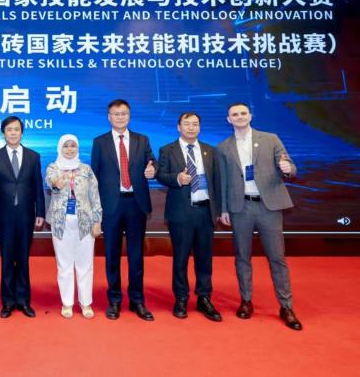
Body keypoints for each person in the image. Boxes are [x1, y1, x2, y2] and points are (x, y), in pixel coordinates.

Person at [217, 103, 302, 330]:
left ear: (250, 115)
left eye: (243, 113)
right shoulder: (223, 147)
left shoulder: (270, 139)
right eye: (235, 114)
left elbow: (290, 165)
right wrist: (223, 209)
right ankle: (246, 301)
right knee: (242, 257)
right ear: (229, 119)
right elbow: (222, 180)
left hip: (269, 206)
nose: (240, 117)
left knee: (277, 257)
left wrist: (287, 169)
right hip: (240, 207)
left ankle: (286, 306)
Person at [90, 99, 157, 321]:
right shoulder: (99, 142)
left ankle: (137, 300)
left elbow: (152, 163)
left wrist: (153, 170)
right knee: (112, 255)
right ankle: (115, 300)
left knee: (136, 255)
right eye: (116, 114)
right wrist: (96, 210)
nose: (120, 117)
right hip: (111, 205)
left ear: (129, 115)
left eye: (124, 113)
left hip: (136, 203)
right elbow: (94, 177)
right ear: (109, 117)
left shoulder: (142, 140)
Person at [156, 113, 222, 322]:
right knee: (181, 258)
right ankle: (181, 298)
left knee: (204, 258)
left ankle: (204, 298)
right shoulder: (167, 150)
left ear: (200, 127)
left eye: (195, 124)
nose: (191, 128)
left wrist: (221, 209)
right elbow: (160, 175)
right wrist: (177, 178)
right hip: (181, 212)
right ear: (179, 127)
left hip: (205, 211)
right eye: (187, 124)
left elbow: (217, 181)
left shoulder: (210, 150)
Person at [0, 116, 45, 318]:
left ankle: (24, 301)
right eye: (9, 129)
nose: (13, 133)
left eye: (16, 129)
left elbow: (38, 186)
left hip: (26, 215)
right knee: (7, 258)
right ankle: (8, 302)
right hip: (5, 215)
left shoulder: (33, 156)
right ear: (3, 133)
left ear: (22, 132)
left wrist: (40, 212)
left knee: (24, 259)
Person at [45, 134, 102, 319]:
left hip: (84, 222)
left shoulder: (86, 169)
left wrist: (97, 221)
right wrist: (57, 183)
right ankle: (67, 303)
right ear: (60, 148)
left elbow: (95, 196)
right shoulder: (53, 167)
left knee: (85, 264)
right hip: (60, 223)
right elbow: (50, 183)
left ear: (77, 148)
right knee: (64, 265)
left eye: (73, 146)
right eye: (66, 146)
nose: (69, 149)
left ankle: (86, 303)